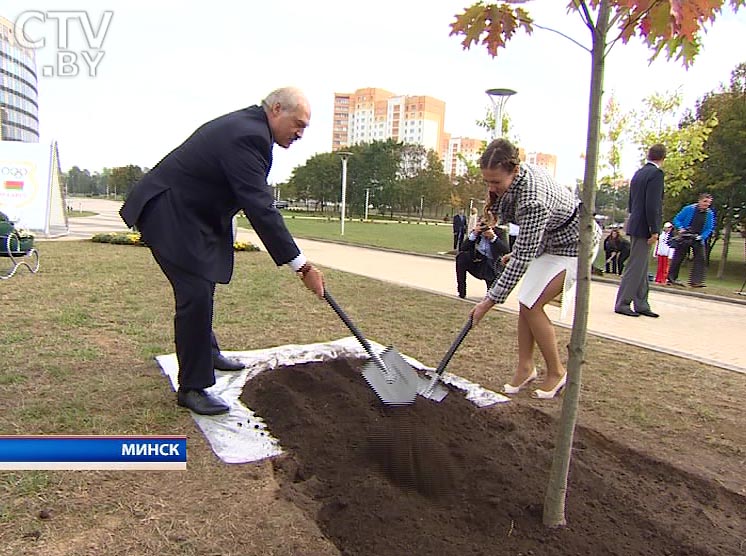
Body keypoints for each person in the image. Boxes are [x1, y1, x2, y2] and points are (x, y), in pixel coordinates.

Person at [120, 87, 325, 416]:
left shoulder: (252, 129)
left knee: (204, 287)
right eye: (298, 124)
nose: (300, 134)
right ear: (276, 110)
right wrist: (302, 267)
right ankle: (193, 387)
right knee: (195, 294)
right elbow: (260, 207)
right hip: (169, 212)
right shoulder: (248, 136)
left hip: (190, 214)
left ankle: (207, 352)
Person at [469, 138, 601, 400]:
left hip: (577, 245)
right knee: (526, 301)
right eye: (488, 181)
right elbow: (528, 245)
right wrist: (517, 253)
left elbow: (524, 258)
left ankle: (557, 371)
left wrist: (487, 302)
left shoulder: (532, 200)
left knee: (533, 304)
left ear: (514, 171)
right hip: (550, 243)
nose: (492, 188)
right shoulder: (517, 179)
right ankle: (526, 367)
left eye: (496, 181)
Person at [614, 144, 666, 318]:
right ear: (663, 158)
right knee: (636, 266)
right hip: (645, 226)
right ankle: (623, 302)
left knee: (642, 266)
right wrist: (654, 229)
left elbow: (631, 201)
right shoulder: (656, 174)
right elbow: (653, 204)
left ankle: (641, 302)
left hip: (636, 222)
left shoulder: (639, 173)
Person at [455, 208, 509, 299]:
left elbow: (506, 250)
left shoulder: (499, 232)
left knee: (491, 296)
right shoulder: (477, 233)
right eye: (483, 221)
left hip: (492, 266)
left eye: (488, 221)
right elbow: (463, 248)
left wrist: (493, 238)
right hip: (477, 263)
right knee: (461, 257)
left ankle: (491, 293)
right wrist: (474, 234)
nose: (485, 224)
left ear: (494, 222)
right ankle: (461, 291)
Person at [667, 193, 715, 288]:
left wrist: (702, 237)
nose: (706, 204)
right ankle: (672, 278)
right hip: (686, 235)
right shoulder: (689, 209)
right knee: (679, 257)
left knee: (701, 258)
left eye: (709, 202)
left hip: (697, 237)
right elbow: (677, 219)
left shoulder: (709, 213)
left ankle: (696, 281)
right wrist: (680, 228)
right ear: (699, 201)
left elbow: (709, 228)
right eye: (705, 201)